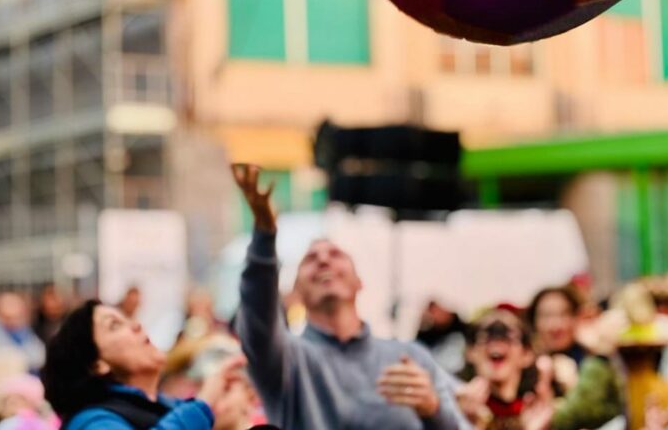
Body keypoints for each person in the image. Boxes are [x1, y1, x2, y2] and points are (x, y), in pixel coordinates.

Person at [232, 164, 467, 430]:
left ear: (359, 282)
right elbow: (257, 320)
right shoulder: (288, 362)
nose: (323, 260)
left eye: (335, 255)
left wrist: (433, 409)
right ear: (296, 291)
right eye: (310, 259)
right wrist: (264, 236)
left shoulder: (409, 358)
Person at [41, 299, 244, 430]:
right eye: (114, 325)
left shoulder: (167, 407)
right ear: (97, 364)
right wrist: (205, 402)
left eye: (127, 319)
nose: (137, 325)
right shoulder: (91, 422)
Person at [457, 308, 554, 430]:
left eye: (507, 335)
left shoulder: (539, 411)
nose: (496, 342)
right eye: (487, 335)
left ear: (526, 354)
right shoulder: (453, 409)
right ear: (470, 352)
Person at [0, 292, 46, 374]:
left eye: (18, 316)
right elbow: (5, 357)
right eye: (8, 317)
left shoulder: (23, 331)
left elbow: (38, 357)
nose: (14, 320)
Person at [416, 300, 469, 375]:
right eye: (432, 312)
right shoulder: (431, 332)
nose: (435, 315)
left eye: (437, 311)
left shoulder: (461, 331)